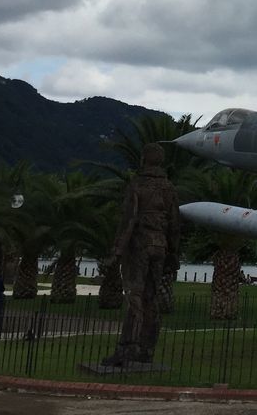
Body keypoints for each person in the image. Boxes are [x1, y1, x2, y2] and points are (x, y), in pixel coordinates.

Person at [101, 143, 181, 366]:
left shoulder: (137, 185)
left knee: (134, 296)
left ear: (144, 159)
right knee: (151, 297)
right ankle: (147, 350)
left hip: (140, 245)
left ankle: (127, 350)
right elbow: (175, 225)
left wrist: (117, 251)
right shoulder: (169, 188)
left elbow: (129, 220)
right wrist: (173, 253)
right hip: (161, 246)